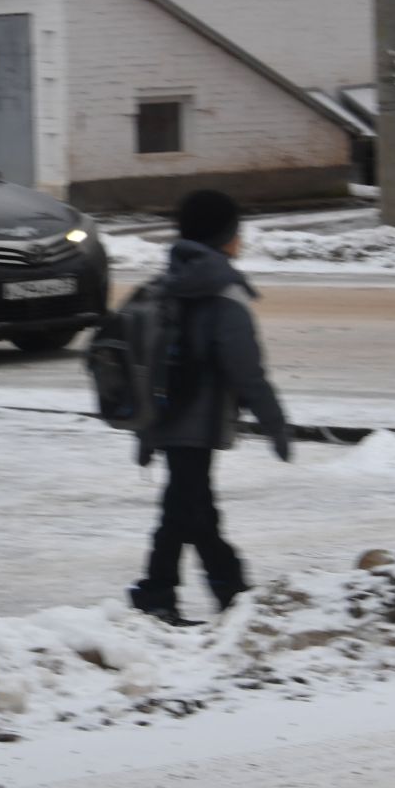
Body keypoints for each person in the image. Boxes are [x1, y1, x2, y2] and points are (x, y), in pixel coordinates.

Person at [131, 188, 292, 627]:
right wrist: (275, 424)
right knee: (187, 511)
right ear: (226, 237)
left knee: (190, 507)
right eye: (237, 232)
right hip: (196, 424)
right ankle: (167, 594)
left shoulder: (165, 284)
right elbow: (247, 370)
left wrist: (144, 429)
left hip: (165, 416)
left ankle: (220, 592)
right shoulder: (224, 293)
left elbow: (143, 358)